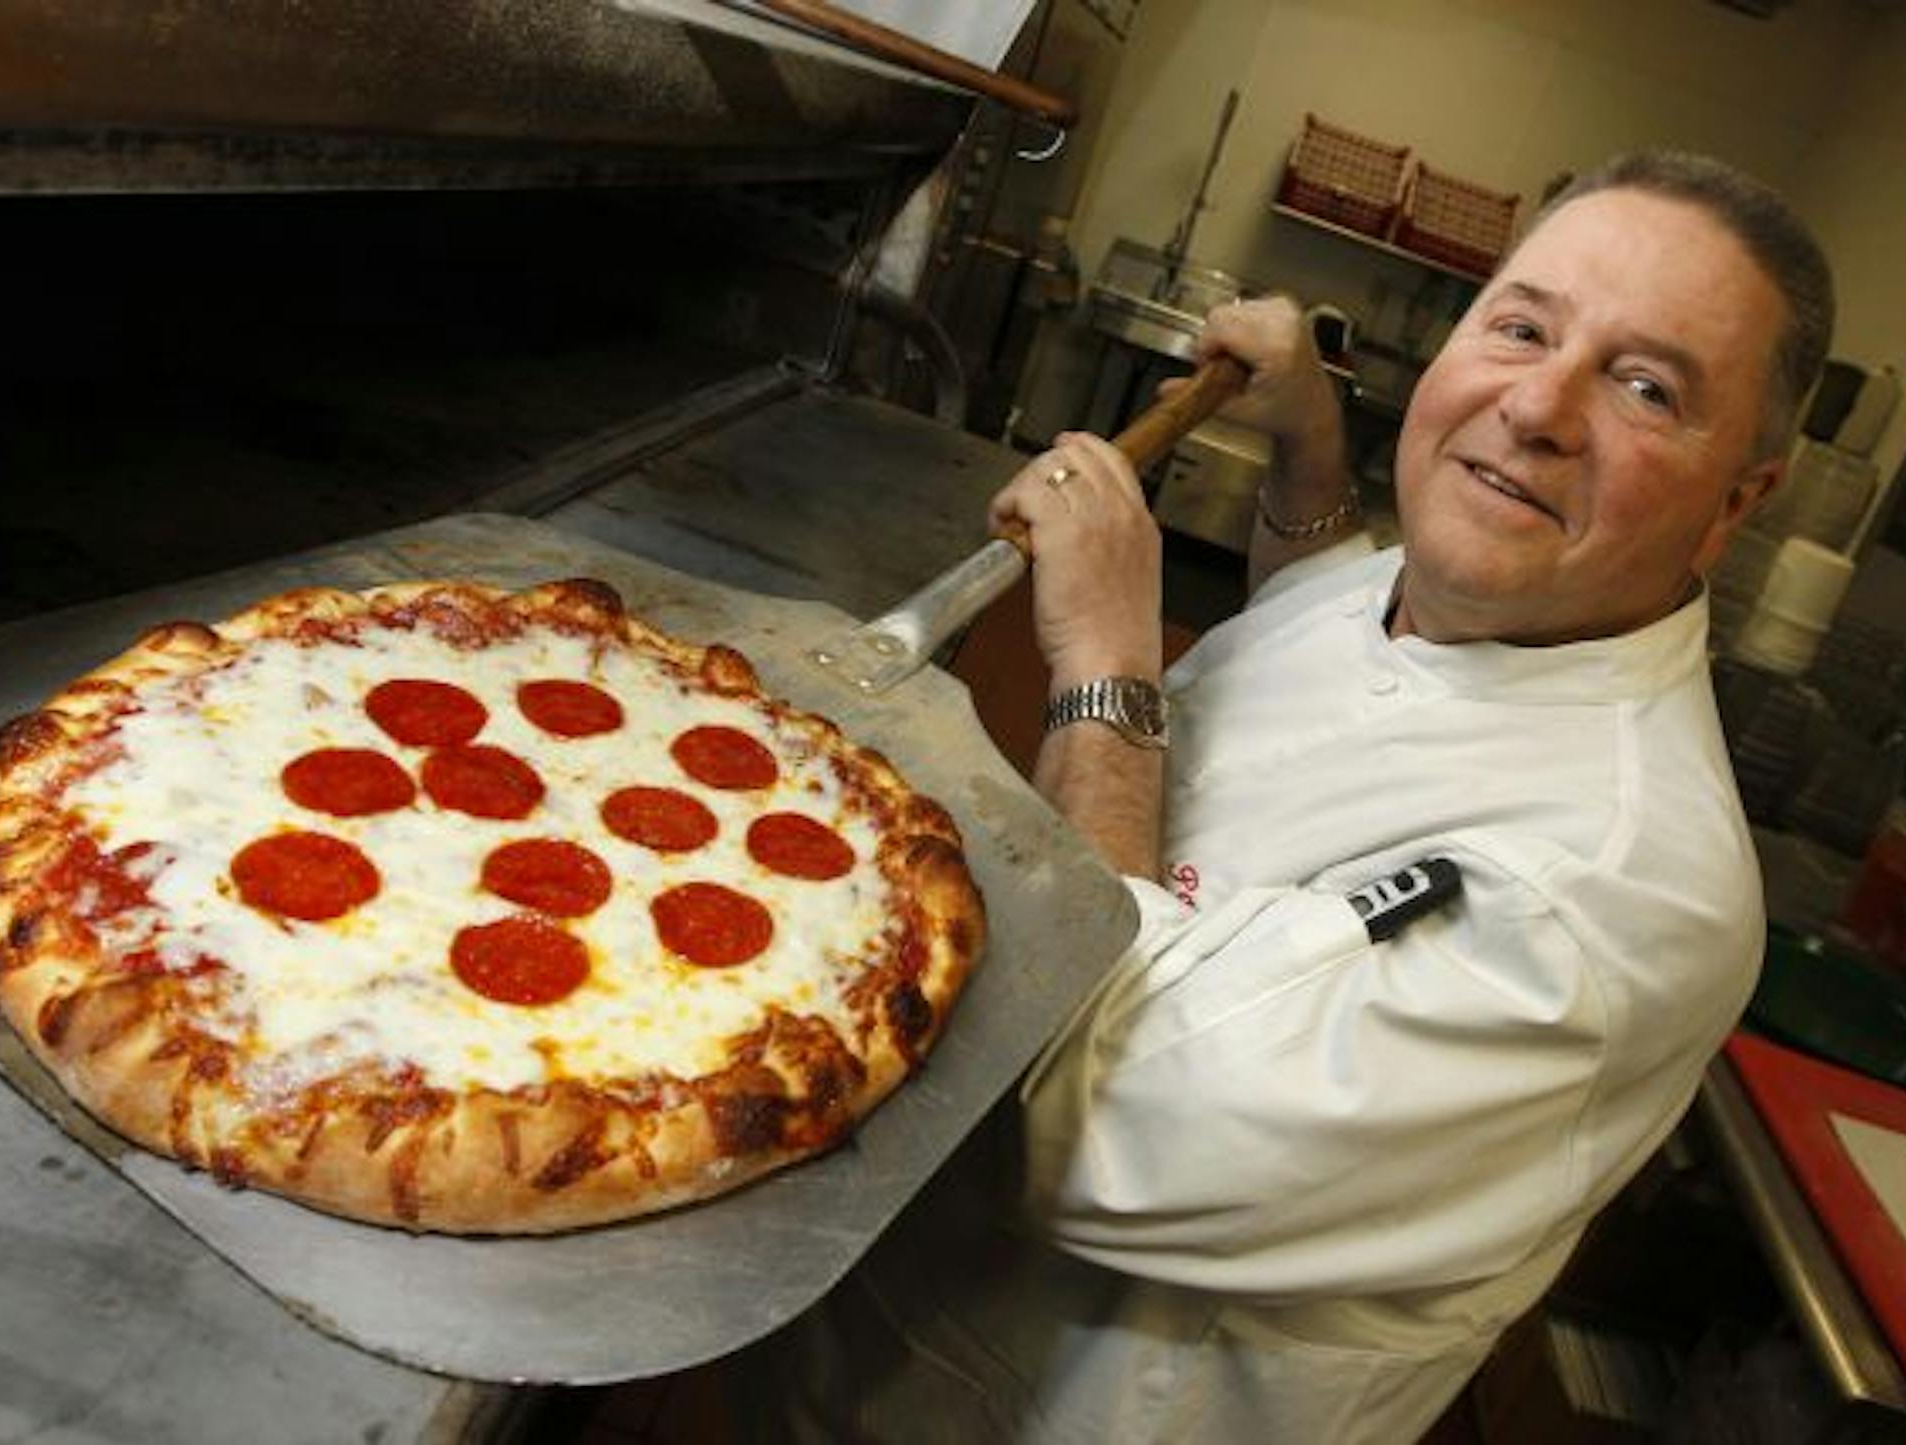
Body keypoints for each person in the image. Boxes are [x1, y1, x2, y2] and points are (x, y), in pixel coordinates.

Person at [740, 149, 1835, 1444]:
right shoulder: (1461, 595)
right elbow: (1321, 634)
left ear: (1735, 504)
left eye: (1646, 387)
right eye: (1523, 327)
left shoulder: (1618, 893)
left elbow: (1101, 1128)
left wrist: (1107, 660)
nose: (1540, 405)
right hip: (874, 1323)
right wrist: (1310, 447)